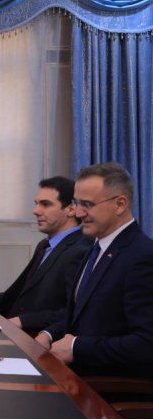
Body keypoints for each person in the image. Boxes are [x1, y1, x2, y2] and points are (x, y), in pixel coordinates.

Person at [36, 162, 153, 378]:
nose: (79, 213)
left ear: (120, 204)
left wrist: (76, 348)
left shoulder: (143, 256)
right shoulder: (95, 247)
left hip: (105, 386)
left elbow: (146, 343)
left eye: (87, 204)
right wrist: (48, 334)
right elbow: (83, 318)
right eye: (77, 203)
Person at [0, 176, 91, 332]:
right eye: (36, 204)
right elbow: (22, 293)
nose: (36, 211)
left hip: (40, 340)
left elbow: (75, 312)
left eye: (45, 204)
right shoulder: (44, 245)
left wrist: (23, 321)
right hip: (17, 333)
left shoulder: (81, 250)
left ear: (71, 210)